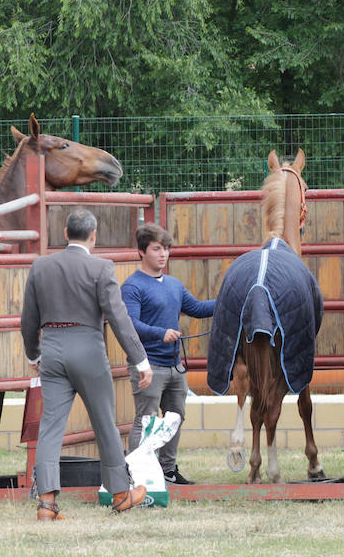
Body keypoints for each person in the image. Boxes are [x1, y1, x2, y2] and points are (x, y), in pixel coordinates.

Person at [21, 209, 154, 520]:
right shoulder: (101, 267)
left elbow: (28, 320)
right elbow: (119, 318)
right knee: (104, 423)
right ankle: (121, 494)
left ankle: (47, 504)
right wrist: (141, 360)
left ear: (66, 233)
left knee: (50, 427)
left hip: (52, 348)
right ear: (93, 236)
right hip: (89, 349)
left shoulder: (41, 266)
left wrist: (34, 355)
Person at [121, 223, 215, 485]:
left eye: (166, 249)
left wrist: (231, 300)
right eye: (156, 249)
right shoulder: (132, 286)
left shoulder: (174, 284)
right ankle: (137, 475)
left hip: (175, 367)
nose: (163, 254)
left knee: (175, 419)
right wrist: (160, 333)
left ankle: (168, 471)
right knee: (146, 421)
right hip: (148, 366)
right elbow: (130, 324)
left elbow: (197, 308)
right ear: (142, 252)